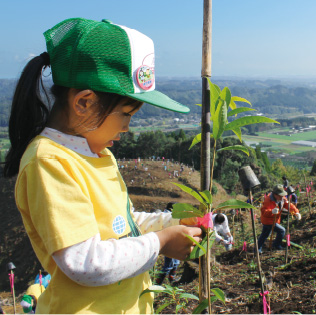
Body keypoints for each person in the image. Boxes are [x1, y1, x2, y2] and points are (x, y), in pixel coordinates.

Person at [4, 18, 202, 314]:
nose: (127, 128)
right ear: (84, 102)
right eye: (125, 114)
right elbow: (85, 261)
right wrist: (160, 242)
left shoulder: (97, 153)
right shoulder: (50, 162)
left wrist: (171, 224)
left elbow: (122, 223)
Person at [257, 184, 301, 253]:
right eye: (280, 195)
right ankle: (276, 245)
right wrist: (271, 211)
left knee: (265, 234)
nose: (282, 197)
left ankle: (257, 249)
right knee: (281, 230)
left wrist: (296, 212)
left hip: (275, 220)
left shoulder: (282, 198)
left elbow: (288, 205)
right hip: (268, 220)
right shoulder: (268, 200)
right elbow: (263, 211)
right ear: (275, 194)